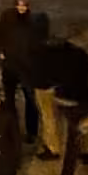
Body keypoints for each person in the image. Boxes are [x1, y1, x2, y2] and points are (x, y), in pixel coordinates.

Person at [52, 26, 88, 175]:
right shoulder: (82, 58)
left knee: (75, 134)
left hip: (61, 100)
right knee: (74, 138)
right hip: (76, 103)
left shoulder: (57, 56)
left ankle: (84, 156)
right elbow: (87, 84)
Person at [0, 0, 39, 145]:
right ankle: (12, 130)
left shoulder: (32, 21)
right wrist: (1, 51)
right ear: (15, 4)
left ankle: (31, 132)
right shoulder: (7, 16)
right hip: (10, 65)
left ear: (27, 6)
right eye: (19, 4)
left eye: (24, 5)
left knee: (30, 100)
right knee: (9, 100)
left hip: (25, 67)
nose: (21, 7)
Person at [31, 10, 64, 160]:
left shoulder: (36, 48)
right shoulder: (55, 43)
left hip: (43, 87)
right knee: (55, 116)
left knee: (48, 118)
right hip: (56, 85)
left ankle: (52, 148)